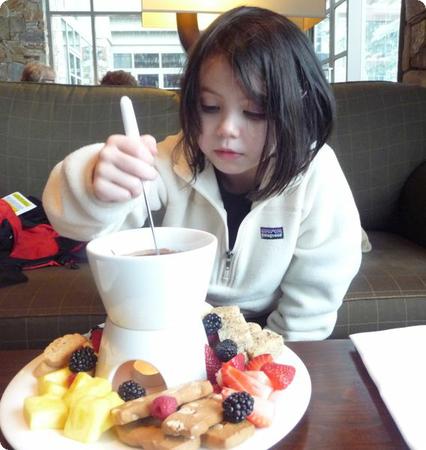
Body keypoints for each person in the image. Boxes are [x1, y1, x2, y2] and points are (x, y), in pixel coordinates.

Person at [42, 6, 362, 341]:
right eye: (210, 107)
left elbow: (315, 294)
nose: (226, 129)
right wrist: (95, 185)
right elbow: (78, 226)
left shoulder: (315, 172)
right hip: (169, 317)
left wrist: (273, 355)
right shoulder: (170, 158)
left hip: (270, 326)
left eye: (255, 111)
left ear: (298, 107)